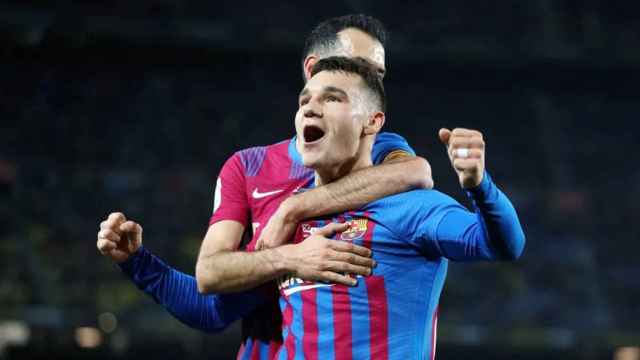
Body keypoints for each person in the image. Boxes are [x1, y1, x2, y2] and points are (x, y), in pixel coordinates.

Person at [96, 14, 432, 359]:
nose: (372, 83)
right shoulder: (249, 167)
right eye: (361, 66)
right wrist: (139, 263)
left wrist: (293, 208)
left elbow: (416, 172)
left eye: (379, 75)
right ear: (313, 68)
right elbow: (210, 301)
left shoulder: (382, 145)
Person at [270, 57, 525, 359]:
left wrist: (480, 187)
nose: (309, 109)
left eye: (332, 98)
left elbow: (503, 244)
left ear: (372, 122)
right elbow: (217, 307)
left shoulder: (409, 207)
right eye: (304, 101)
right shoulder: (284, 218)